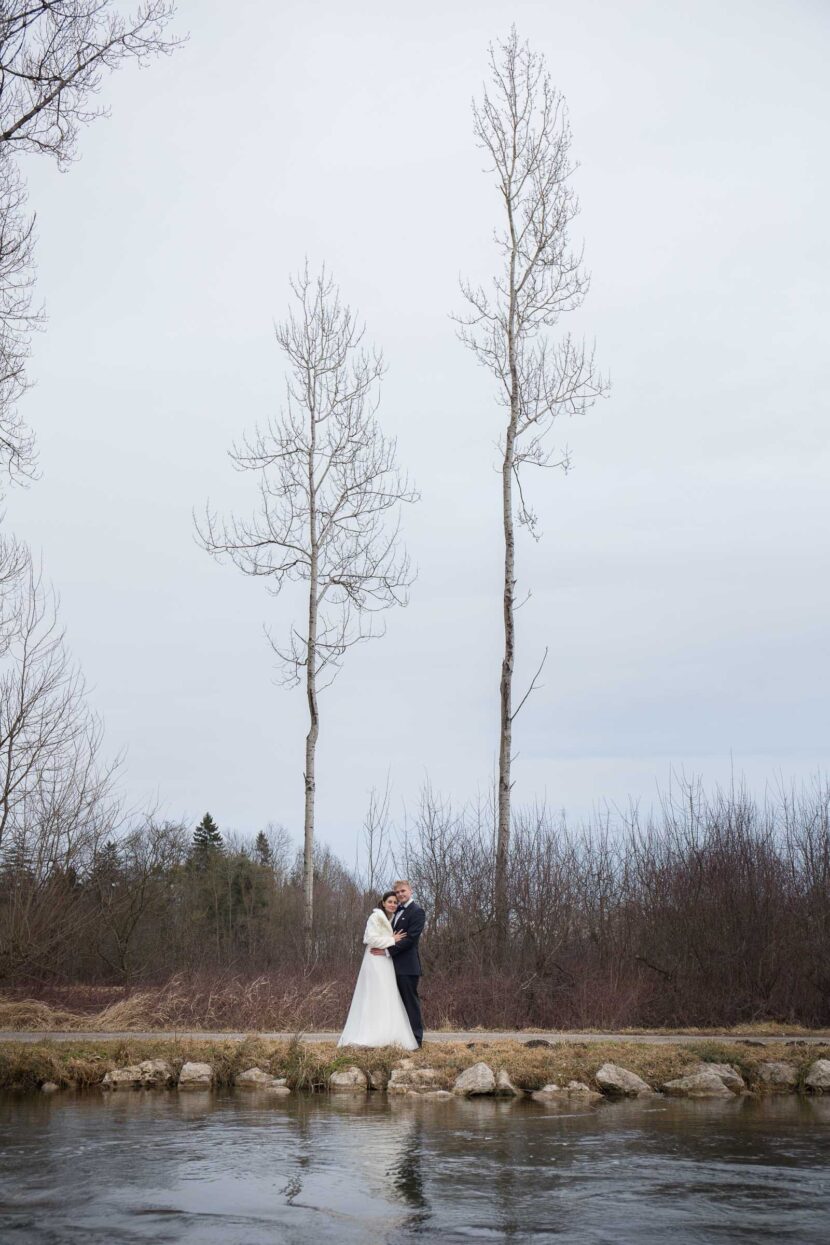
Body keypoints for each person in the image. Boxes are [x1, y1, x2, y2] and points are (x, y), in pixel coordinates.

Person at [338, 890, 418, 1049]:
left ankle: (386, 1033)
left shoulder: (391, 918)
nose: (393, 905)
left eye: (395, 902)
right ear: (383, 903)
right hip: (374, 961)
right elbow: (369, 938)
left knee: (386, 995)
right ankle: (371, 1034)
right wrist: (391, 940)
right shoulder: (376, 917)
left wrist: (390, 943)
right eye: (390, 902)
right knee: (374, 994)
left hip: (385, 961)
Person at [370, 879, 425, 1047]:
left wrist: (387, 951)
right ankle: (401, 1038)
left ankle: (416, 1040)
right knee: (396, 1004)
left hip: (408, 967)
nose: (401, 894)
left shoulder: (417, 911)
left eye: (403, 891)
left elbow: (410, 939)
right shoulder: (394, 913)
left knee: (410, 1003)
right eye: (398, 892)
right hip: (392, 966)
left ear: (410, 891)